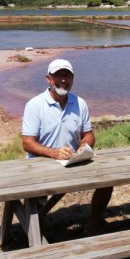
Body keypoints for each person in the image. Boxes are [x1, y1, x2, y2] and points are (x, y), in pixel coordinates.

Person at [21, 58, 112, 235]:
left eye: (67, 75)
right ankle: (33, 229)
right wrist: (54, 153)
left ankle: (93, 223)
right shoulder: (34, 105)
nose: (63, 80)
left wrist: (84, 147)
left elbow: (88, 134)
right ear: (48, 79)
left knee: (107, 180)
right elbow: (27, 143)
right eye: (58, 75)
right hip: (42, 164)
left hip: (72, 162)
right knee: (35, 204)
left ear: (72, 78)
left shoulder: (80, 103)